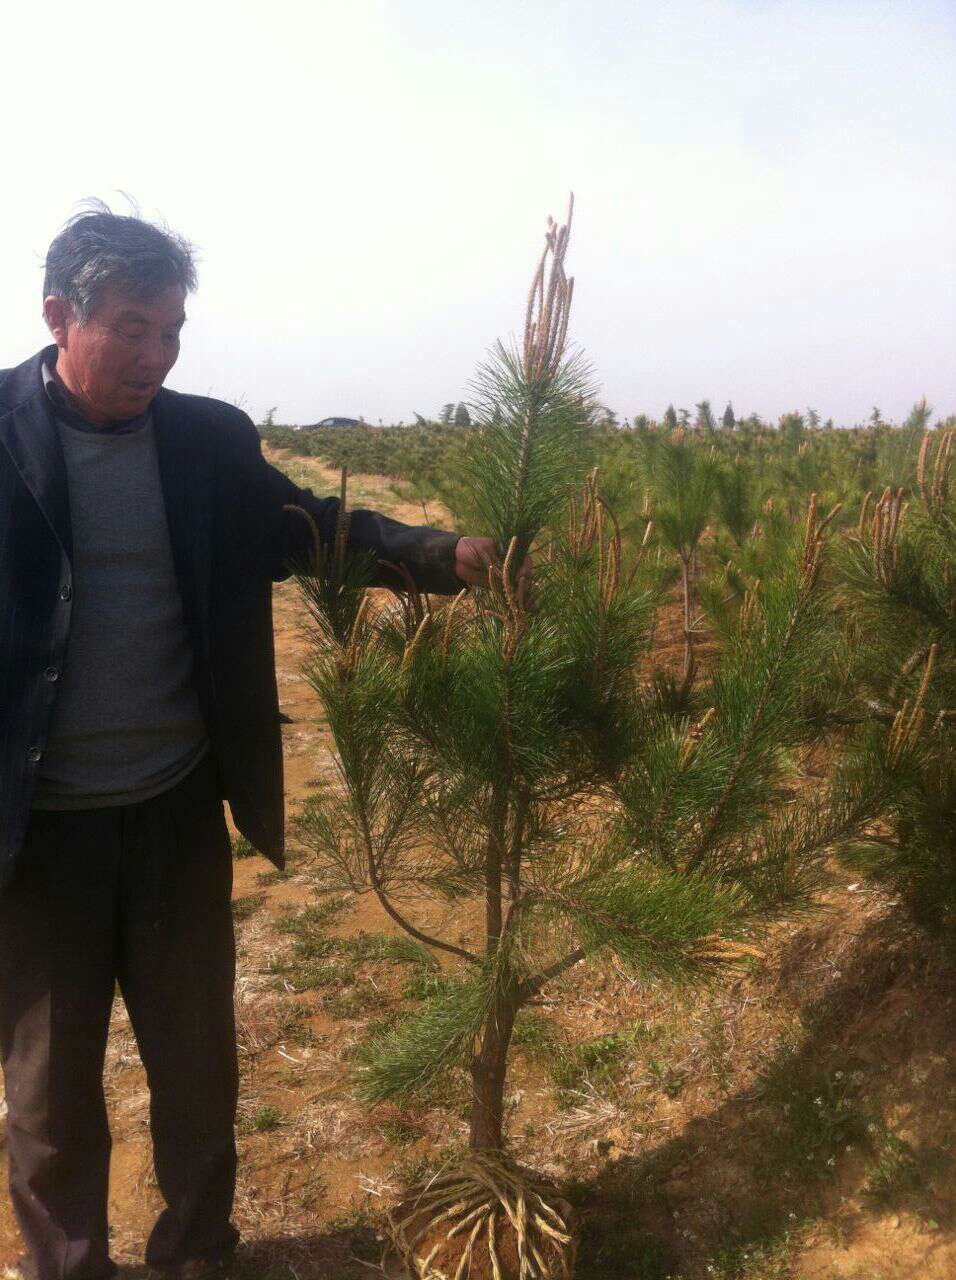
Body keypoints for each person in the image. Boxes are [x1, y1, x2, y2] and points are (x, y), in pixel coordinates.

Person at [0, 206, 498, 1280]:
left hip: (176, 807)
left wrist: (435, 551)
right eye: (130, 327)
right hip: (35, 832)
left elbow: (310, 527)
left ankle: (198, 1254)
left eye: (171, 328)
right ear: (57, 315)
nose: (155, 354)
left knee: (196, 1065)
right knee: (46, 1091)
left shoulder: (207, 440)